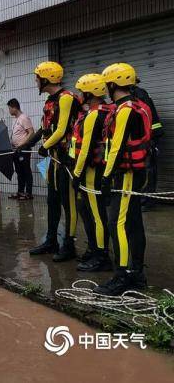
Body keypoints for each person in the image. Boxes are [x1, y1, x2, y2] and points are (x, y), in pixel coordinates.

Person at [94, 63, 153, 296]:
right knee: (133, 222)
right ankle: (136, 273)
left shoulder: (126, 109)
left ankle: (123, 275)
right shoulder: (135, 105)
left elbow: (117, 147)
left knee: (116, 223)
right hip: (131, 173)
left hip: (126, 174)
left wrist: (106, 177)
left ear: (112, 84)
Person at [26, 61, 81, 261]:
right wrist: (25, 145)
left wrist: (45, 146)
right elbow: (45, 128)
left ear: (46, 78)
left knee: (69, 204)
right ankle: (51, 240)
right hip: (53, 160)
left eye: (37, 78)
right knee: (52, 201)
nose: (35, 81)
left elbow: (62, 129)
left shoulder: (66, 98)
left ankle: (69, 244)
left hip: (66, 160)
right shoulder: (50, 100)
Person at [69, 74, 114, 272]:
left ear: (89, 93)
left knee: (97, 216)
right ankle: (95, 249)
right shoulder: (105, 111)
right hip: (97, 169)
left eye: (81, 91)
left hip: (91, 171)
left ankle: (102, 256)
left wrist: (76, 174)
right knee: (93, 214)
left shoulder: (95, 115)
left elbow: (86, 149)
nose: (79, 94)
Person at [130, 83, 164, 211]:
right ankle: (144, 199)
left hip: (151, 138)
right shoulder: (138, 93)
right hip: (149, 136)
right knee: (148, 169)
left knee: (149, 169)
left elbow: (144, 116)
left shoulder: (139, 94)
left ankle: (147, 201)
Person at [7, 98, 35, 200]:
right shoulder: (17, 119)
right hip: (16, 150)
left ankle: (28, 193)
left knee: (26, 170)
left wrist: (22, 144)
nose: (9, 111)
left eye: (10, 108)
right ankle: (20, 192)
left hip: (23, 149)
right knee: (19, 171)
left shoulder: (24, 118)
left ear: (14, 107)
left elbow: (31, 132)